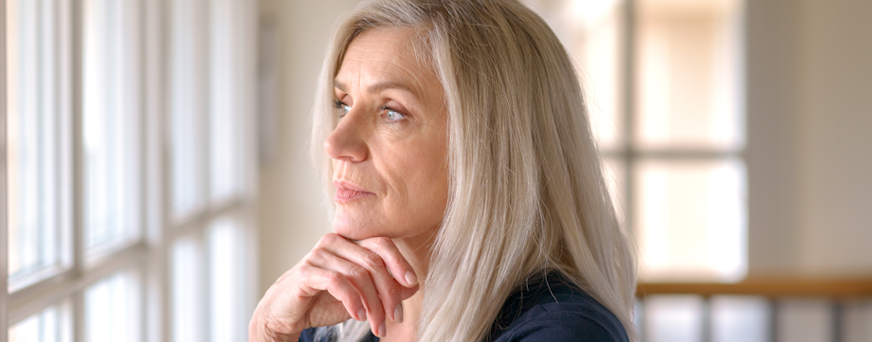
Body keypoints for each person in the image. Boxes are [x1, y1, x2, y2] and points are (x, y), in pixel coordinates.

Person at [249, 0, 637, 341]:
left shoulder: (565, 332)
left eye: (391, 112)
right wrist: (268, 334)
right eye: (343, 104)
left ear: (490, 145)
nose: (335, 143)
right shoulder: (328, 324)